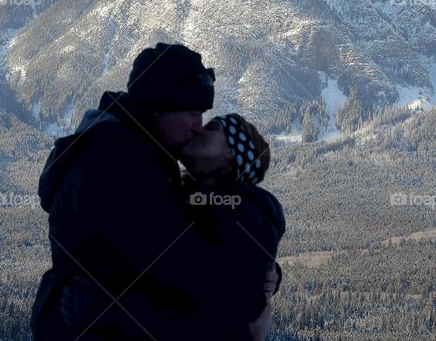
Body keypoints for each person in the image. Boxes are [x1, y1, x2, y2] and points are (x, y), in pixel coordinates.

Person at [30, 43, 278, 341]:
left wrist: (264, 273)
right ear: (160, 107)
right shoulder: (117, 161)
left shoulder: (143, 155)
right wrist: (250, 305)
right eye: (192, 112)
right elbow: (182, 267)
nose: (198, 127)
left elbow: (200, 249)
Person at [179, 113, 285, 341]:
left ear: (231, 154)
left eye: (212, 129)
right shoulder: (209, 205)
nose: (199, 130)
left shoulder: (235, 214)